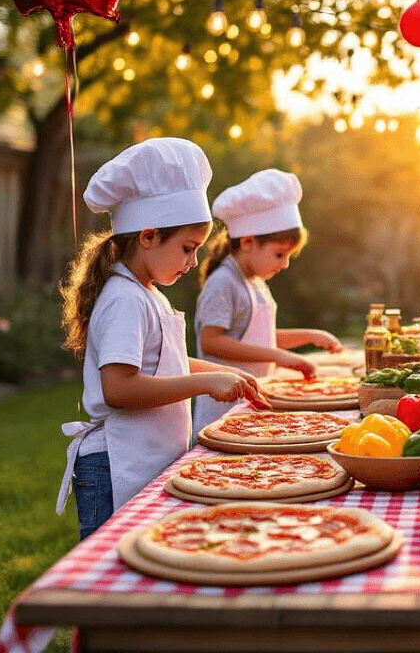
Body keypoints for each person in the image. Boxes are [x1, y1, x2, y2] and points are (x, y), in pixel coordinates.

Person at [55, 137, 265, 539]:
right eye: (188, 248)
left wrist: (222, 372)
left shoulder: (147, 293)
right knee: (111, 574)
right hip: (113, 466)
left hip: (143, 459)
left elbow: (165, 364)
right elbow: (118, 387)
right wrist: (204, 383)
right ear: (148, 236)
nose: (194, 261)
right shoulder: (124, 300)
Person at [192, 168, 342, 434]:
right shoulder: (223, 283)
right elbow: (211, 341)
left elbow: (259, 339)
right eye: (279, 254)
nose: (284, 265)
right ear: (248, 241)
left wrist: (309, 336)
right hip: (224, 413)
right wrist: (281, 357)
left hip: (252, 406)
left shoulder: (256, 282)